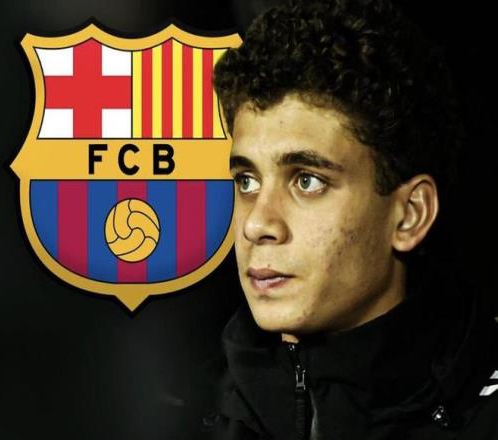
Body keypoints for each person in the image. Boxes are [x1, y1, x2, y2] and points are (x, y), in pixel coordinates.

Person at [209, 0, 498, 438]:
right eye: (247, 181)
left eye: (307, 181)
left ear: (410, 215)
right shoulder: (186, 410)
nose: (256, 224)